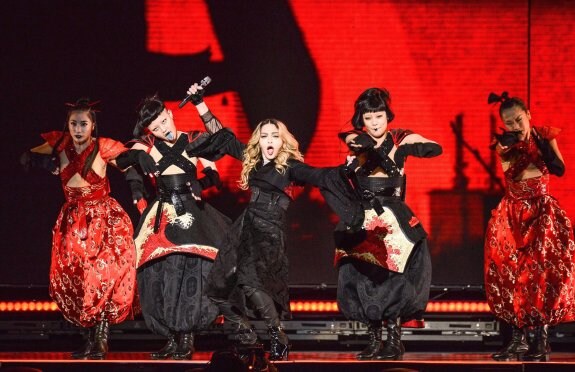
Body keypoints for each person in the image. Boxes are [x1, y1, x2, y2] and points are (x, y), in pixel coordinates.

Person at [183, 82, 359, 361]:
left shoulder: (290, 167)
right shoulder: (253, 160)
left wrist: (348, 168)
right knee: (217, 288)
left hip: (268, 229)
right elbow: (223, 137)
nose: (269, 141)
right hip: (245, 225)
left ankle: (278, 335)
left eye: (275, 136)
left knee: (251, 284)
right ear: (258, 140)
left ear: (283, 141)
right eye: (264, 135)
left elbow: (320, 176)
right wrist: (199, 103)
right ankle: (248, 336)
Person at [115, 94, 230, 360]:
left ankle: (187, 337)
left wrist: (204, 183)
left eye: (164, 120)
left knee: (191, 272)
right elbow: (121, 161)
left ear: (170, 113)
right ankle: (170, 337)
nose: (162, 128)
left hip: (192, 211)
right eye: (155, 127)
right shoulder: (146, 146)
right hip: (162, 213)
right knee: (159, 274)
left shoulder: (192, 139)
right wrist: (135, 156)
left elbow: (215, 167)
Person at [21, 98, 136, 360]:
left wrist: (140, 174)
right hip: (73, 220)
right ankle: (87, 339)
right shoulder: (59, 145)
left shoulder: (103, 147)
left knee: (100, 277)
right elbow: (28, 155)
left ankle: (101, 338)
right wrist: (38, 161)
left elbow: (129, 165)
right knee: (76, 278)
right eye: (73, 124)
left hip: (101, 218)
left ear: (93, 126)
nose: (78, 129)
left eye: (83, 124)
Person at [334, 87, 442, 360]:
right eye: (369, 117)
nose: (375, 122)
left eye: (379, 116)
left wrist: (410, 143)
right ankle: (374, 339)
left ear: (387, 115)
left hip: (394, 218)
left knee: (394, 277)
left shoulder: (399, 139)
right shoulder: (356, 141)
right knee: (363, 277)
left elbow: (434, 148)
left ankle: (394, 340)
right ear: (362, 119)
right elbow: (354, 142)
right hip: (364, 217)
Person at [484, 92, 575, 362]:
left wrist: (541, 145)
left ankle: (540, 339)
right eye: (509, 122)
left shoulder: (545, 136)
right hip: (513, 212)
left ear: (529, 116)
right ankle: (517, 339)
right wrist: (516, 146)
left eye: (519, 120)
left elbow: (559, 169)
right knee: (510, 272)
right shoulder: (503, 143)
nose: (516, 126)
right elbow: (512, 173)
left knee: (541, 274)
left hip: (542, 211)